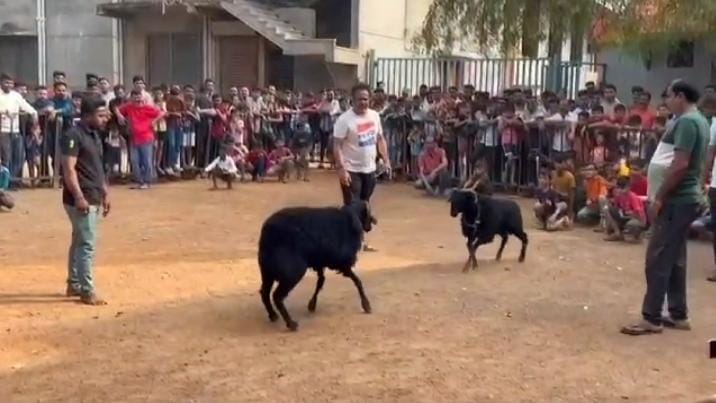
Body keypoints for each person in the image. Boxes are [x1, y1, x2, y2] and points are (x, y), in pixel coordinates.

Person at [621, 80, 709, 336]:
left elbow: (680, 164)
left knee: (658, 257)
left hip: (676, 199)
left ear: (680, 96)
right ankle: (678, 312)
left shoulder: (687, 122)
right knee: (675, 256)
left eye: (669, 96)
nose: (667, 100)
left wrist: (659, 196)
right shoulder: (697, 120)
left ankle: (652, 317)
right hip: (682, 198)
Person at [61, 96, 111, 305]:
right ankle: (86, 290)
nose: (105, 119)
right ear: (88, 115)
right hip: (81, 198)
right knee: (87, 244)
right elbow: (68, 169)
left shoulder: (94, 135)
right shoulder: (73, 135)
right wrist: (79, 197)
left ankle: (74, 283)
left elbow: (96, 167)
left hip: (94, 194)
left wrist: (105, 192)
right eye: (100, 115)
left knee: (79, 240)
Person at [333, 83, 390, 252]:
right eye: (359, 99)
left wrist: (386, 160)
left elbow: (380, 139)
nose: (363, 102)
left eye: (365, 99)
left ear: (369, 99)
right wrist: (341, 169)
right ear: (352, 100)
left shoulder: (374, 116)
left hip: (369, 169)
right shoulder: (344, 120)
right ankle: (352, 241)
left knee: (364, 205)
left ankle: (358, 240)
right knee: (352, 206)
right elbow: (336, 145)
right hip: (351, 169)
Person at [117, 89, 164, 189]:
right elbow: (116, 109)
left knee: (146, 161)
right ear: (131, 97)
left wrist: (154, 121)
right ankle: (140, 181)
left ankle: (147, 181)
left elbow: (162, 113)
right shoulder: (128, 107)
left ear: (142, 97)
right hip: (134, 138)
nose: (137, 98)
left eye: (138, 96)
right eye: (134, 96)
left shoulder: (148, 107)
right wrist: (120, 116)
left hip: (146, 137)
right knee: (134, 161)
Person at [0, 73, 39, 183]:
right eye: (6, 82)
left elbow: (26, 106)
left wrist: (33, 113)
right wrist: (3, 111)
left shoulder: (15, 95)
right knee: (6, 158)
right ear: (1, 83)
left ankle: (13, 180)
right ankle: (5, 183)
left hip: (16, 130)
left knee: (19, 157)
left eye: (11, 83)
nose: (9, 85)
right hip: (3, 130)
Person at [604, 176, 647, 242]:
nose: (620, 190)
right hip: (625, 217)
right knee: (607, 209)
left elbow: (638, 214)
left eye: (622, 188)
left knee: (631, 225)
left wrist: (629, 213)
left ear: (628, 187)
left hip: (637, 219)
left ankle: (635, 235)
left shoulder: (633, 197)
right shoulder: (618, 196)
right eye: (619, 188)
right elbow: (616, 208)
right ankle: (617, 232)